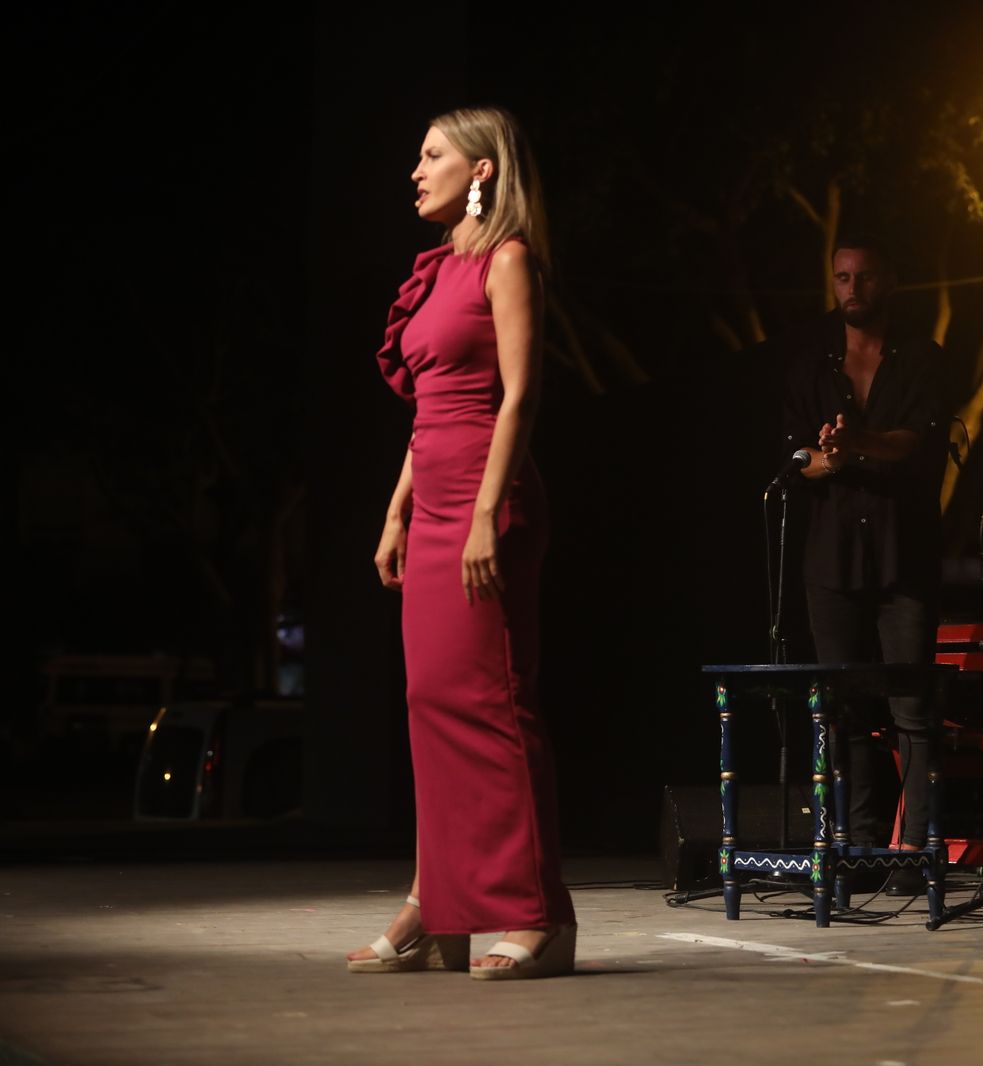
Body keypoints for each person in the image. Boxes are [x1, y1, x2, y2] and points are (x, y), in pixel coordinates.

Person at [345, 105, 576, 979]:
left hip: (489, 499)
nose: (416, 169)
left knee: (495, 707)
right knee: (430, 706)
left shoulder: (508, 261)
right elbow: (425, 409)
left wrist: (484, 512)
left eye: (432, 154)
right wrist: (398, 509)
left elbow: (518, 397)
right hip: (434, 499)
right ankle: (434, 905)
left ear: (482, 171)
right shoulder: (438, 268)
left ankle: (536, 913)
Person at [782, 235, 951, 890]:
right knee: (844, 709)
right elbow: (794, 459)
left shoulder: (923, 360)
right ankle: (852, 847)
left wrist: (859, 443)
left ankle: (913, 851)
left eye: (866, 277)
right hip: (830, 557)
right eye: (843, 278)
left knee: (912, 707)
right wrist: (829, 458)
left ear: (891, 281)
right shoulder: (809, 363)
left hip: (902, 552)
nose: (853, 290)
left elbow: (917, 443)